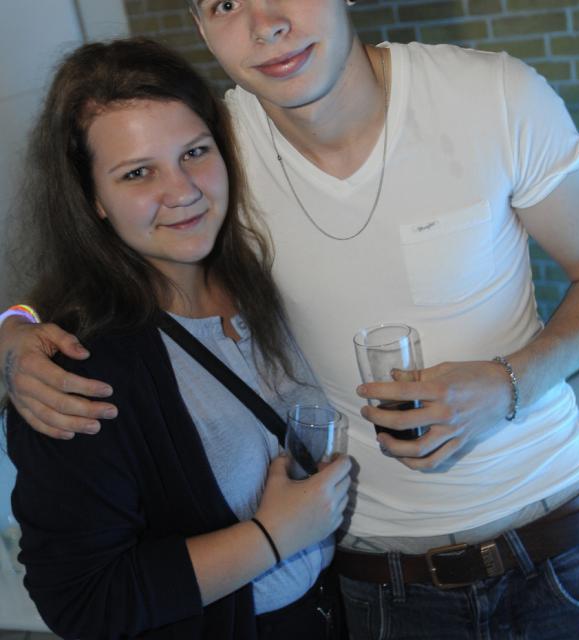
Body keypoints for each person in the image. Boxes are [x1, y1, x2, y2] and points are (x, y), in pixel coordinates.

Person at [2, 1, 579, 638]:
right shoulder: (217, 147)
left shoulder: (493, 94)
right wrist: (14, 328)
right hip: (381, 584)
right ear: (201, 25)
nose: (265, 24)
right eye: (226, 3)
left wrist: (508, 383)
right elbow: (96, 259)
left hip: (563, 540)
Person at [3, 37, 352, 640]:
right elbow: (85, 602)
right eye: (138, 173)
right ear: (93, 199)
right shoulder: (75, 369)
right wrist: (272, 536)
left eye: (194, 152)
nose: (183, 190)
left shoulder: (263, 276)